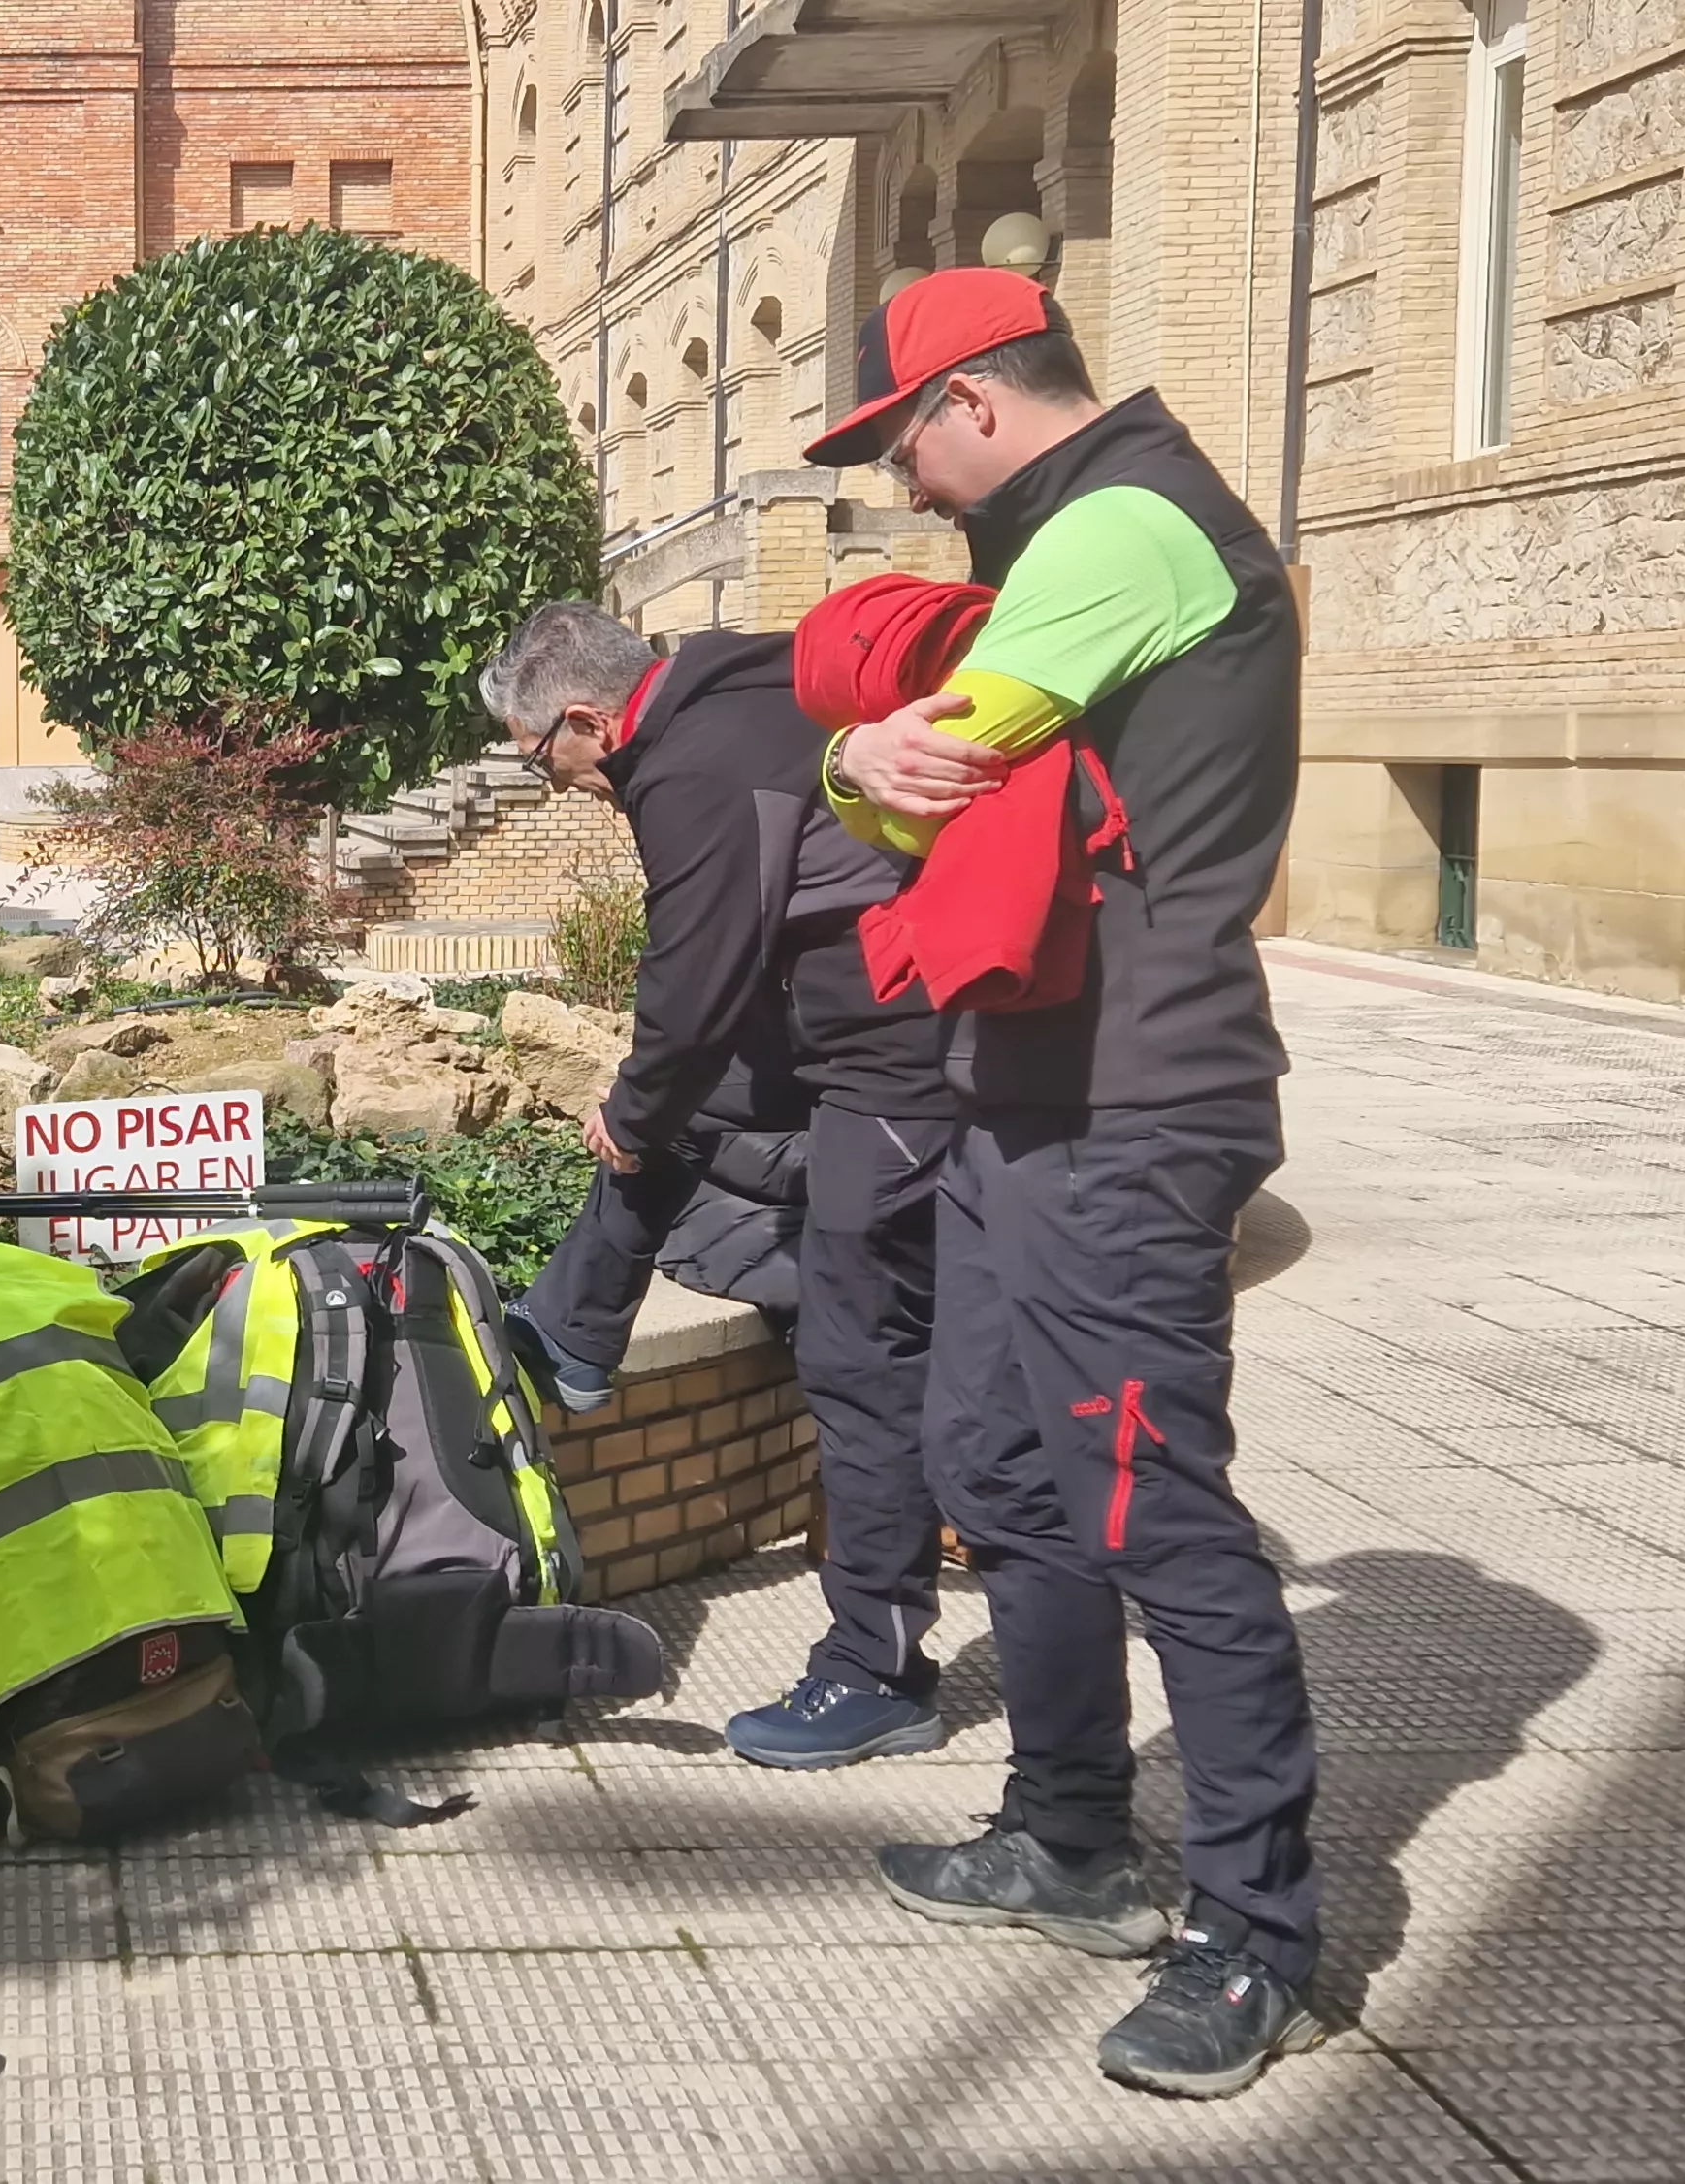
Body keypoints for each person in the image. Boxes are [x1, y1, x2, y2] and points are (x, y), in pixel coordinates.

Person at [807, 268, 1325, 2099]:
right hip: (1026, 1082)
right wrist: (862, 749)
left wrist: (851, 753)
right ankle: (1071, 1834)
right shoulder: (1084, 521)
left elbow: (933, 768)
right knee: (1000, 1463)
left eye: (901, 443)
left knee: (1156, 1509)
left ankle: (1257, 1934)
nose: (909, 484)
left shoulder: (1122, 519)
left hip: (1129, 1100)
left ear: (969, 401)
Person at [478, 605, 964, 1770]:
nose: (550, 783)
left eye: (539, 755)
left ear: (588, 719)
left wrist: (630, 1115)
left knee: (855, 1359)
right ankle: (572, 1335)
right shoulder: (737, 684)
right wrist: (651, 1113)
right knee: (682, 1130)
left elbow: (693, 977)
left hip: (897, 1064)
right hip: (855, 1044)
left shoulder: (686, 767)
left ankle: (879, 1666)